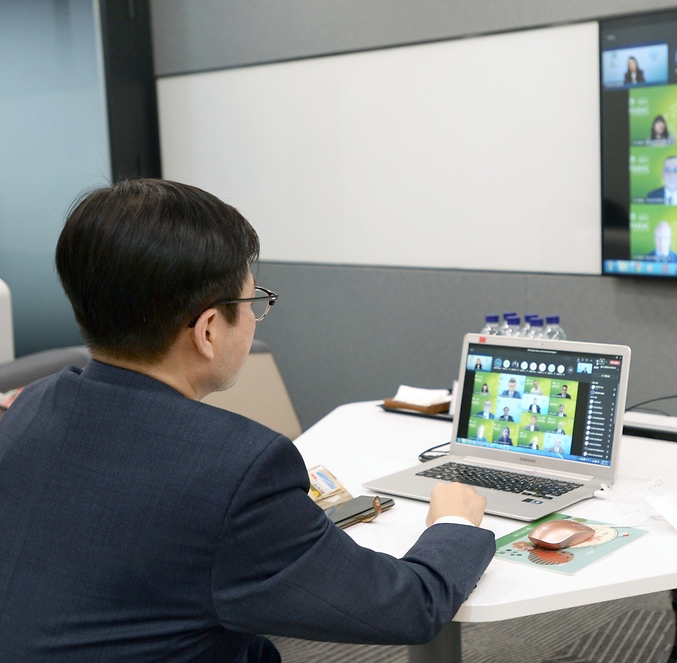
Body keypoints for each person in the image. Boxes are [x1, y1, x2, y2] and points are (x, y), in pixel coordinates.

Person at [0, 179, 494, 662]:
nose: (256, 317)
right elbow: (407, 607)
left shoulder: (31, 408)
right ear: (209, 330)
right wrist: (453, 520)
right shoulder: (235, 469)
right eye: (252, 303)